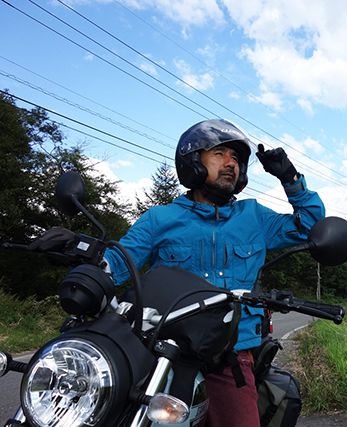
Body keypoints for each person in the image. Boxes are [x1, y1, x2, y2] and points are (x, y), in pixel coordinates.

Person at [102, 118, 325, 426]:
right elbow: (117, 262)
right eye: (219, 154)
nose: (230, 163)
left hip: (230, 354)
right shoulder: (160, 218)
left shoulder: (255, 217)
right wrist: (85, 263)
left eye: (236, 158)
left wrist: (290, 177)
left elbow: (311, 229)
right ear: (193, 162)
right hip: (164, 348)